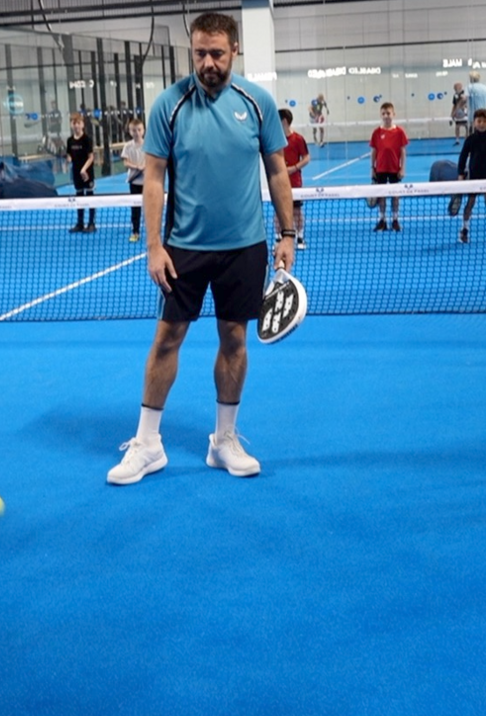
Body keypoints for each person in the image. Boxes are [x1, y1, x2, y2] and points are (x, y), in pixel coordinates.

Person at [107, 11, 294, 485]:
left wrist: (287, 234)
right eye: (200, 53)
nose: (208, 62)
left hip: (245, 247)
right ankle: (147, 444)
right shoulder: (169, 105)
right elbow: (152, 179)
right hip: (183, 249)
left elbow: (276, 171)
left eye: (217, 53)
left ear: (234, 51)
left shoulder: (257, 103)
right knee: (167, 339)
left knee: (235, 339)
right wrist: (153, 246)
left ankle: (224, 440)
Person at [456, 108, 486, 244]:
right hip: (473, 178)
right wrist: (460, 174)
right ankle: (464, 230)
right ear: (474, 122)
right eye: (479, 121)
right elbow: (463, 157)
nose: (482, 124)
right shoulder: (470, 140)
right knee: (470, 203)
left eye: (484, 121)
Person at [369, 101, 408, 232]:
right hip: (380, 169)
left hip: (394, 169)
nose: (386, 116)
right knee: (382, 195)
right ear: (381, 115)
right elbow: (374, 151)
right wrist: (372, 168)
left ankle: (395, 220)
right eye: (383, 113)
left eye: (388, 113)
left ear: (393, 114)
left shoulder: (399, 132)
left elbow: (402, 151)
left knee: (395, 195)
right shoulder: (376, 132)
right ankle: (382, 220)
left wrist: (402, 168)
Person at [279, 108, 311, 250]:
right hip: (279, 182)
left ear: (284, 121)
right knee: (278, 210)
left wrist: (294, 168)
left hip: (295, 182)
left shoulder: (298, 139)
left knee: (297, 210)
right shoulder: (275, 139)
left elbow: (306, 158)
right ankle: (279, 237)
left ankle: (300, 236)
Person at [65, 113, 96, 233]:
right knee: (79, 197)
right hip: (76, 174)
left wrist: (84, 169)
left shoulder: (87, 139)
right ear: (71, 125)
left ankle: (92, 223)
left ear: (82, 125)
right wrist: (68, 159)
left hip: (87, 173)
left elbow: (91, 157)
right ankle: (80, 223)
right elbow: (70, 156)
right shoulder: (70, 141)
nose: (76, 125)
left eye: (78, 123)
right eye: (74, 123)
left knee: (90, 197)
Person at [121, 117, 146, 242]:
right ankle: (135, 232)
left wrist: (145, 167)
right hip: (134, 182)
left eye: (139, 130)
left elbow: (152, 160)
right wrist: (137, 167)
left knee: (149, 207)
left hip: (147, 182)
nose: (136, 133)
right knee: (135, 208)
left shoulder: (148, 144)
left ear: (143, 130)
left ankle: (153, 234)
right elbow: (125, 162)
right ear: (130, 132)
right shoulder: (127, 146)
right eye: (133, 130)